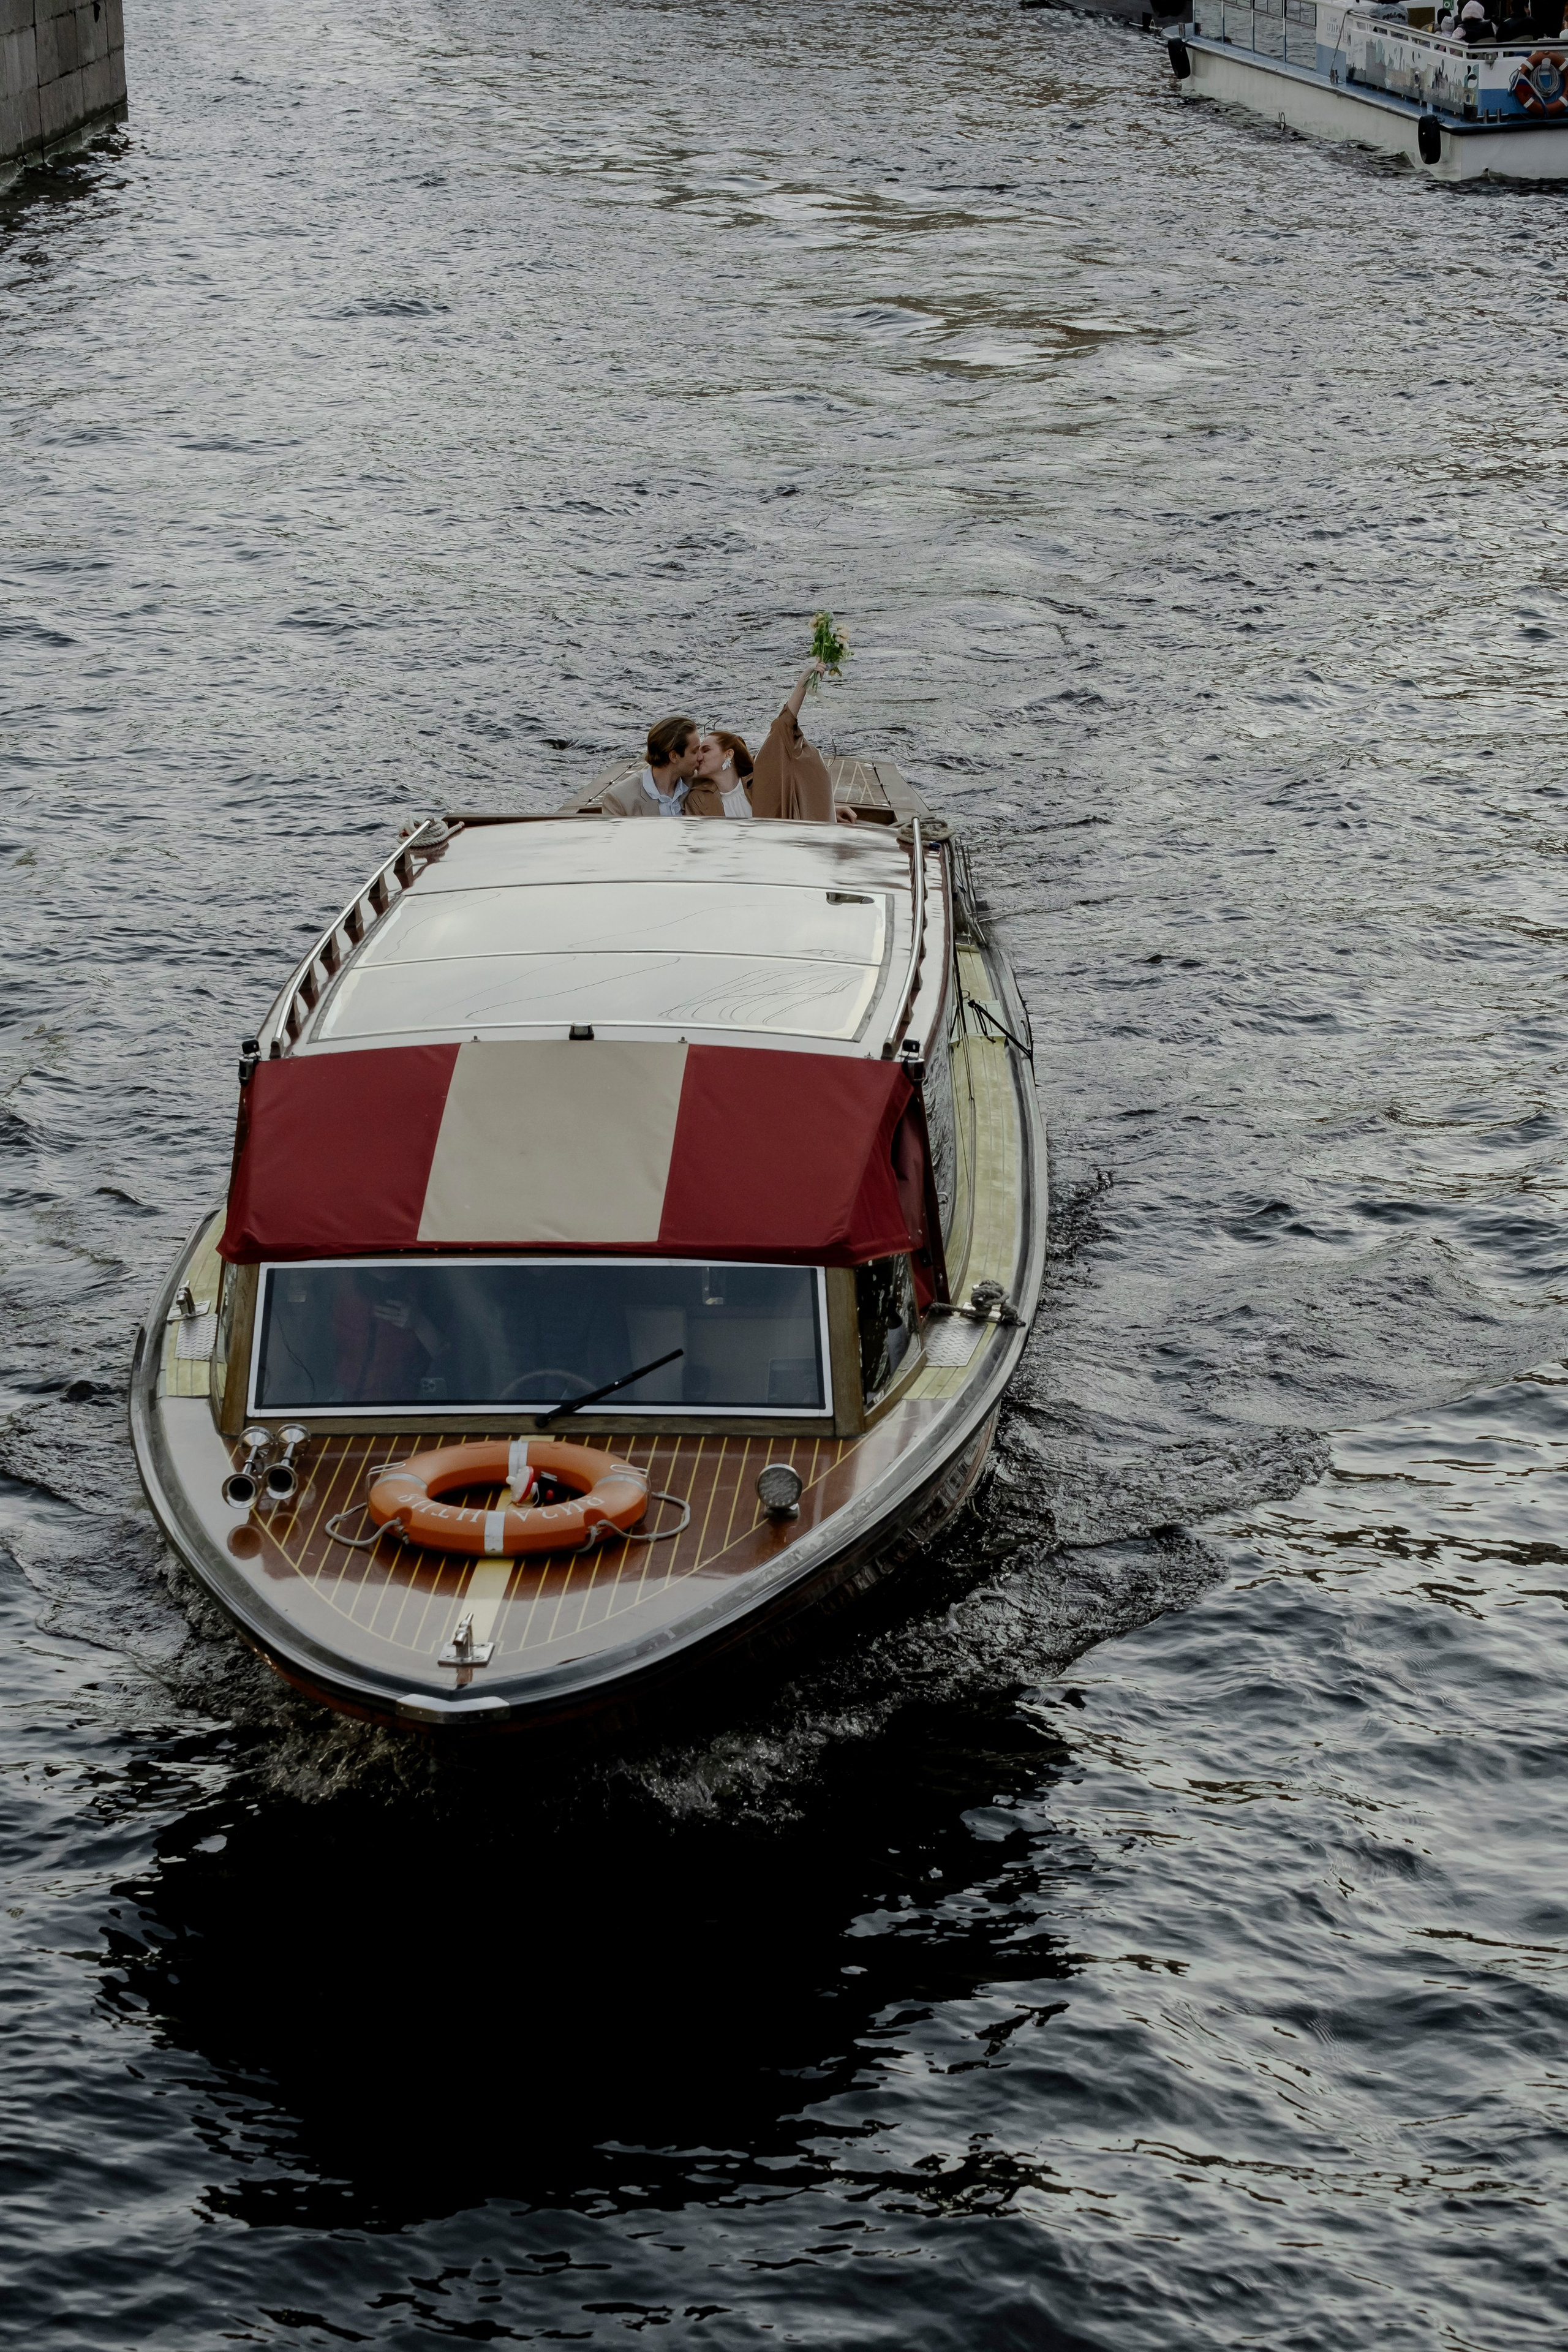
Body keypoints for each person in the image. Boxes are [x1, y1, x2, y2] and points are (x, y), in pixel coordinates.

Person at [707, 660, 855, 824]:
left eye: (705, 750)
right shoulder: (694, 794)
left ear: (728, 755)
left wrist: (804, 681)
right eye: (696, 751)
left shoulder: (759, 783)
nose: (698, 755)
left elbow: (783, 727)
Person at [600, 714, 704, 816]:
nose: (701, 757)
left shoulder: (697, 782)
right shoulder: (620, 799)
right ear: (674, 756)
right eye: (695, 752)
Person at [687, 728, 755, 819]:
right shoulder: (698, 798)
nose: (699, 757)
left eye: (706, 750)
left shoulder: (757, 784)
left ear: (728, 755)